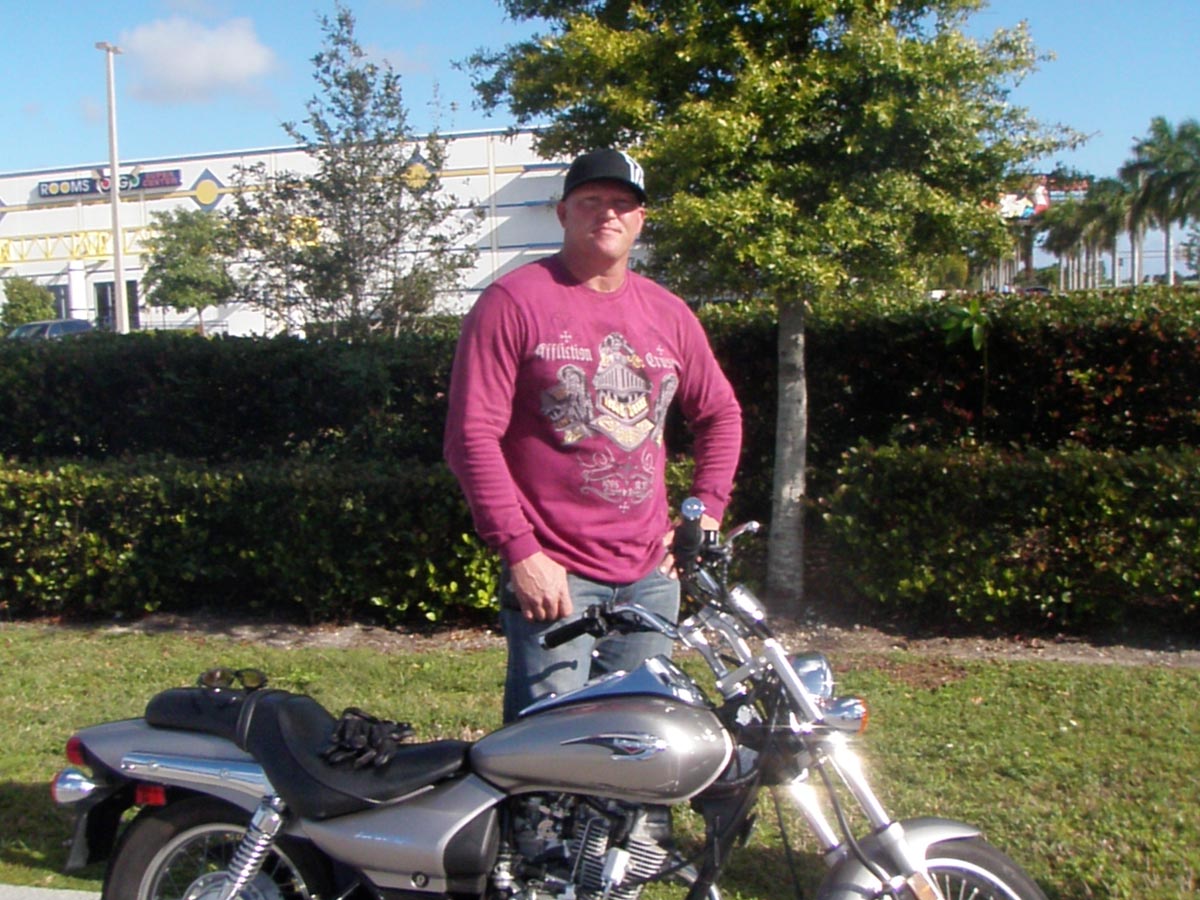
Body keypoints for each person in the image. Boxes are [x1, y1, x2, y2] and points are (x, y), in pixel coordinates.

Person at [444, 148, 743, 722]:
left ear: (640, 220)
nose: (608, 213)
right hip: (557, 572)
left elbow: (720, 414)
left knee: (636, 740)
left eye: (623, 203)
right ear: (563, 213)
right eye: (591, 201)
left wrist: (704, 513)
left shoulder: (669, 313)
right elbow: (471, 437)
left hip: (651, 575)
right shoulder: (513, 302)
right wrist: (521, 551)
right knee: (550, 747)